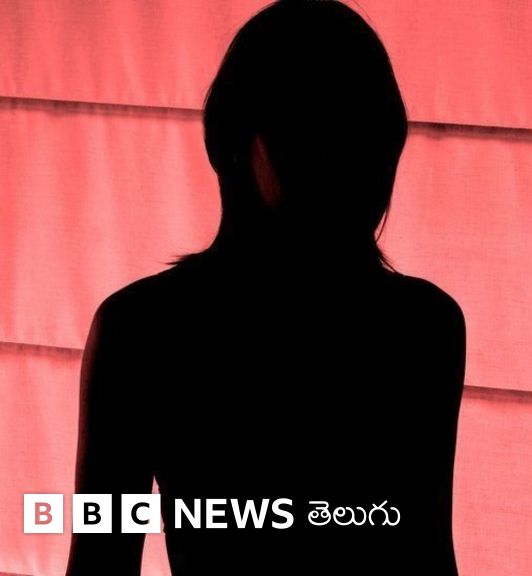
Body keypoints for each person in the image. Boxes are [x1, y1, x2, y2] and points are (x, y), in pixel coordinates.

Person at [64, 1, 466, 574]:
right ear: (232, 141)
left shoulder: (145, 326)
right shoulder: (420, 326)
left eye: (367, 140)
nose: (347, 164)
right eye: (315, 133)